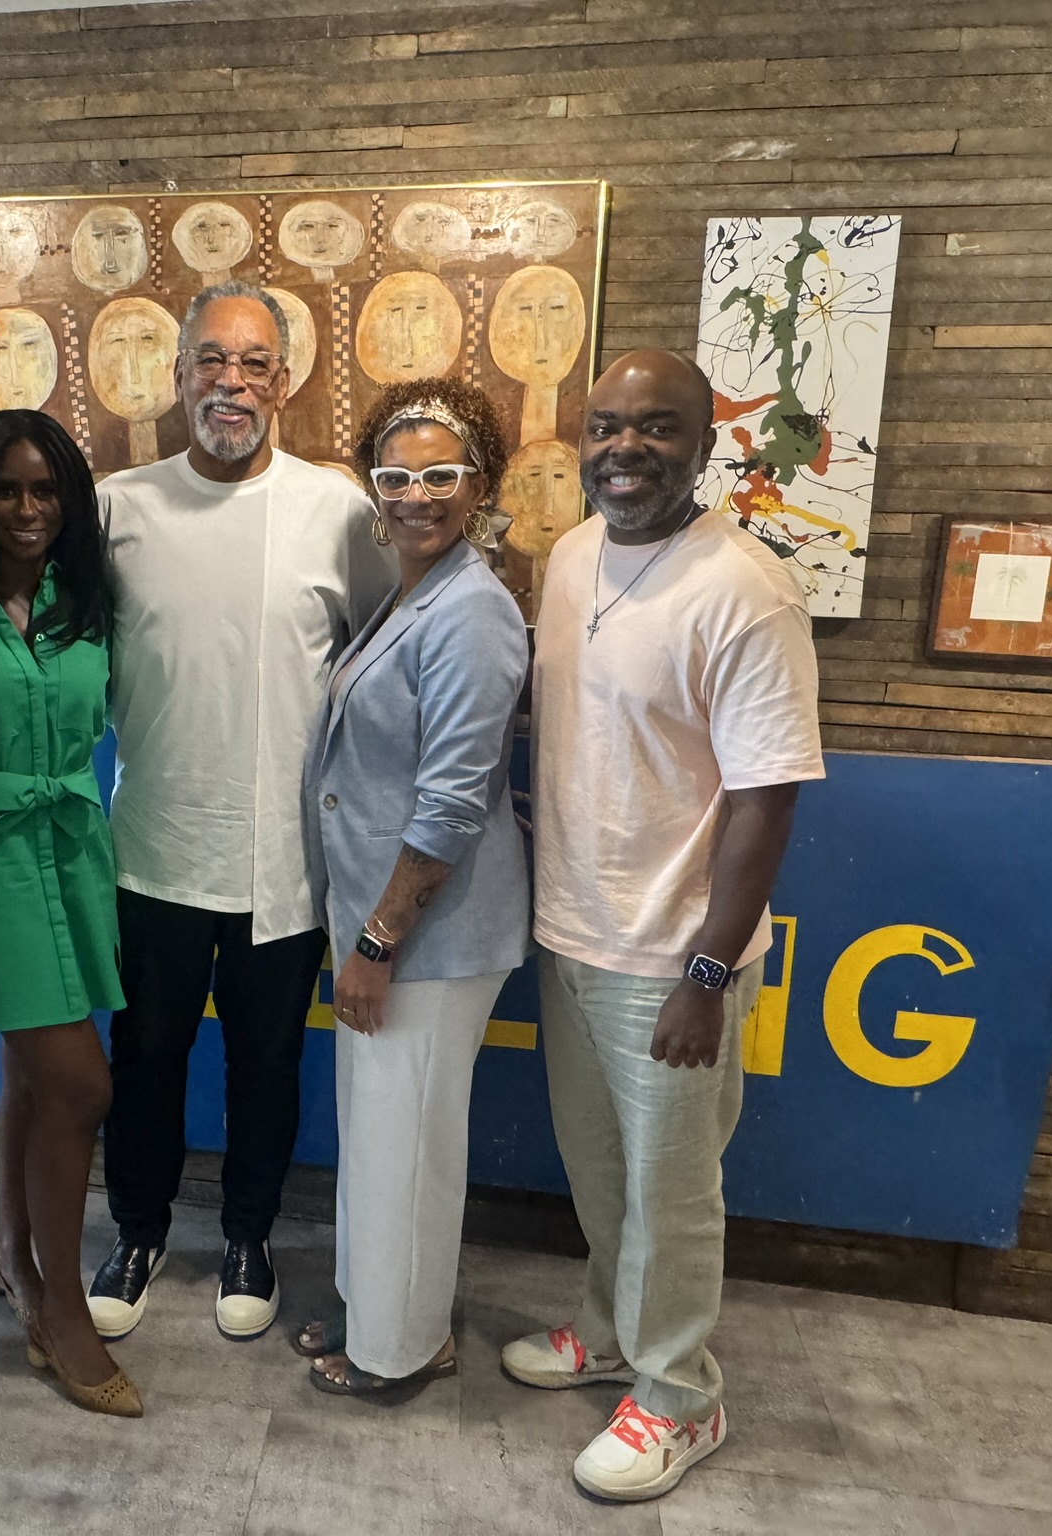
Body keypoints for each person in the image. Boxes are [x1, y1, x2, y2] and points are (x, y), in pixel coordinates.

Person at [502, 350, 823, 1502]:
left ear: (704, 445)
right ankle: (606, 1325)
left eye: (654, 428)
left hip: (672, 958)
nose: (622, 447)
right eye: (604, 425)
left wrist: (703, 968)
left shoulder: (744, 587)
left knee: (674, 1191)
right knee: (599, 1172)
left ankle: (682, 1396)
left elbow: (765, 794)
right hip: (570, 929)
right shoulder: (573, 554)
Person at [92, 280, 392, 1343]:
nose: (232, 381)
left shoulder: (339, 510)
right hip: (151, 852)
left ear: (285, 381)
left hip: (286, 863)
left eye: (255, 362)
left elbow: (387, 654)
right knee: (144, 1062)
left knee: (265, 1069)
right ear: (176, 380)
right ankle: (134, 1230)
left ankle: (250, 1235)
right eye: (210, 360)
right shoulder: (116, 506)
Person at [295, 379, 529, 1397]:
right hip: (387, 925)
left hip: (424, 937)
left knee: (406, 1145)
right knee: (384, 1133)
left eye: (441, 475)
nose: (416, 494)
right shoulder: (414, 591)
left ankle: (397, 1350)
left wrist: (379, 942)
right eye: (395, 475)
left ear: (478, 486)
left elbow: (449, 806)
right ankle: (377, 1310)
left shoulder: (473, 611)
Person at [0, 409, 140, 1419]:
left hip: (76, 846)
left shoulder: (85, 599)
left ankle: (10, 1250)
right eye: (6, 488)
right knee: (80, 1087)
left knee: (31, 1075)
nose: (28, 508)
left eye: (46, 489)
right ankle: (58, 1310)